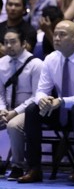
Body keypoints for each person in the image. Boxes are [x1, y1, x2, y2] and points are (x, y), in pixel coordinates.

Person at [17, 20, 74, 185]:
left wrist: (60, 101)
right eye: (56, 33)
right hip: (63, 110)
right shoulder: (51, 58)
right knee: (32, 109)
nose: (56, 38)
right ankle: (34, 168)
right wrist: (43, 100)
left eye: (62, 34)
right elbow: (40, 91)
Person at [0, 28, 42, 181]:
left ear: (24, 43)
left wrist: (15, 112)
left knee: (13, 125)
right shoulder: (1, 63)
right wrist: (2, 109)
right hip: (7, 109)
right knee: (8, 119)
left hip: (28, 111)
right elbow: (0, 93)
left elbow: (38, 96)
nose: (9, 46)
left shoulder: (36, 64)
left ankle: (17, 165)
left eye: (13, 42)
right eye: (6, 43)